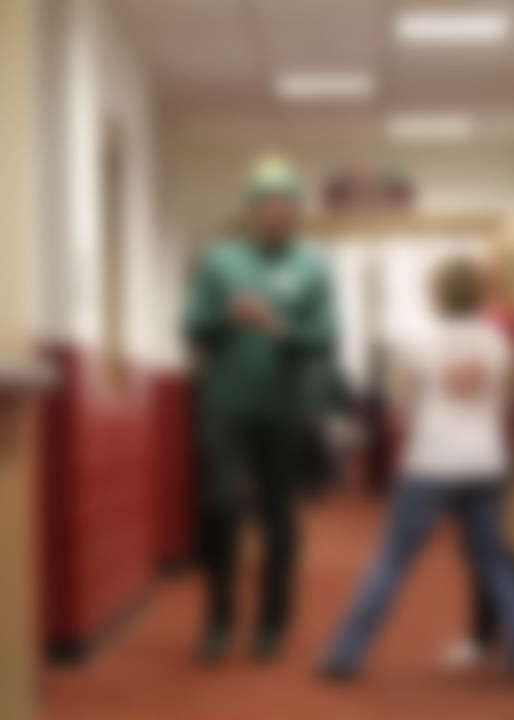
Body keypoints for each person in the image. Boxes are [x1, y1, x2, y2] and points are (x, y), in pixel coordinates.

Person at [318, 256, 514, 680]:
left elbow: (400, 400)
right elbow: (508, 393)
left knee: (392, 560)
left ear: (438, 294)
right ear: (479, 294)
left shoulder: (418, 342)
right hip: (486, 460)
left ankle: (346, 654)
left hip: (431, 462)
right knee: (493, 560)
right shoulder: (500, 342)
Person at [183, 155, 337, 664]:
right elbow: (191, 327)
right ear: (251, 210)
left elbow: (327, 339)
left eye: (286, 204)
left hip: (284, 410)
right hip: (226, 406)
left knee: (279, 520)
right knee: (222, 511)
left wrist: (277, 326)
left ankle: (272, 624)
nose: (276, 213)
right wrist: (226, 317)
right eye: (267, 204)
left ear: (297, 212)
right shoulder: (221, 261)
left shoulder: (314, 267)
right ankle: (218, 622)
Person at [439, 264, 514, 669]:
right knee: (481, 541)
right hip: (488, 445)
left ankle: (492, 633)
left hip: (489, 446)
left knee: (480, 544)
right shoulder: (500, 323)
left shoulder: (497, 323)